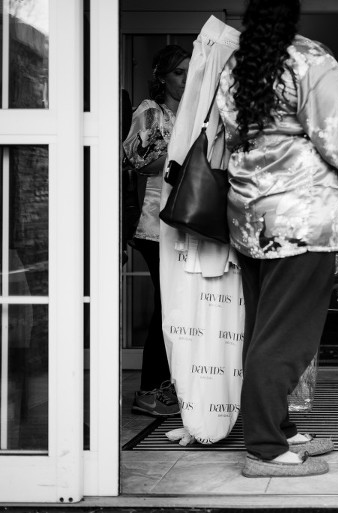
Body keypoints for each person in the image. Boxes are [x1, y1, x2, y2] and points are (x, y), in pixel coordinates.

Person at [216, 0, 338, 477]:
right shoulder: (308, 58)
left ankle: (280, 427)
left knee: (265, 328)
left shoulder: (237, 65)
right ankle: (265, 449)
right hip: (300, 219)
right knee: (287, 336)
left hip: (250, 217)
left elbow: (229, 134)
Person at [123, 44, 190, 417]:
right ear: (162, 77)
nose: (184, 78)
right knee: (167, 307)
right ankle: (149, 390)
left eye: (188, 72)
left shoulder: (195, 114)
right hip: (154, 224)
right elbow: (137, 160)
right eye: (178, 72)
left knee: (177, 308)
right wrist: (184, 158)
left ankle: (169, 386)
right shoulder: (152, 112)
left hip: (185, 222)